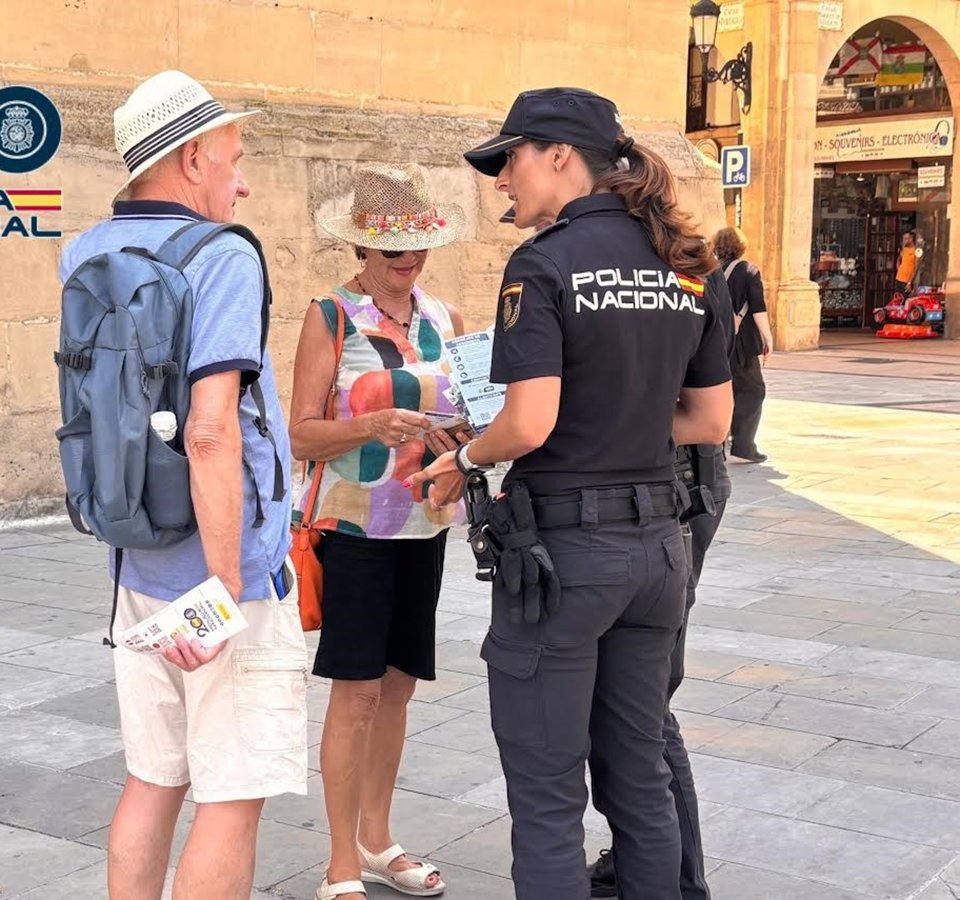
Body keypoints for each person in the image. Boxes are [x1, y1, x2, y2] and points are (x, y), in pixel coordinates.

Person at [408, 87, 733, 900]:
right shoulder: (687, 262)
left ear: (559, 156)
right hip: (658, 555)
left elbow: (527, 424)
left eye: (509, 159)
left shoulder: (545, 263)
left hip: (566, 559)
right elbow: (710, 420)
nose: (500, 180)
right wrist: (622, 414)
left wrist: (464, 458)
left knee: (549, 796)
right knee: (639, 781)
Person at [59, 70, 307, 900]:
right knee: (231, 797)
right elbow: (210, 430)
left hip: (135, 556)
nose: (243, 182)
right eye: (235, 159)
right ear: (192, 159)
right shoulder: (221, 254)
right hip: (222, 570)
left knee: (152, 778)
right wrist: (227, 583)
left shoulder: (87, 252)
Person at [289, 163, 468, 900]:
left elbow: (468, 414)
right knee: (356, 692)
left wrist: (461, 446)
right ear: (361, 247)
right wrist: (370, 425)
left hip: (425, 523)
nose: (408, 258)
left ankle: (377, 838)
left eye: (418, 245)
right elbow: (301, 434)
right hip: (354, 527)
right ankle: (340, 861)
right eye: (392, 247)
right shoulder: (331, 315)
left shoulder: (446, 317)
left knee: (398, 689)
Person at [586, 267, 736, 900]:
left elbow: (709, 417)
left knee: (643, 705)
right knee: (629, 700)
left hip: (669, 488)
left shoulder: (674, 270)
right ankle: (642, 854)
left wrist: (574, 417)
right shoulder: (668, 264)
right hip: (662, 487)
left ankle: (677, 879)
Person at [712, 227, 771, 464]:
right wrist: (768, 338)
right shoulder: (749, 271)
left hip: (715, 342)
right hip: (742, 345)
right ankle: (744, 444)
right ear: (741, 246)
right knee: (753, 390)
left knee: (721, 390)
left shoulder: (710, 272)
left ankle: (717, 443)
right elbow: (757, 308)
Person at [895, 230, 920, 295]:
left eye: (906, 239)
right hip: (899, 278)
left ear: (911, 239)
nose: (904, 241)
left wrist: (909, 282)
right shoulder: (904, 249)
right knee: (898, 297)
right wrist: (899, 269)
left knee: (905, 297)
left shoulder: (916, 250)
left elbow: (916, 268)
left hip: (907, 280)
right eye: (903, 239)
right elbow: (898, 259)